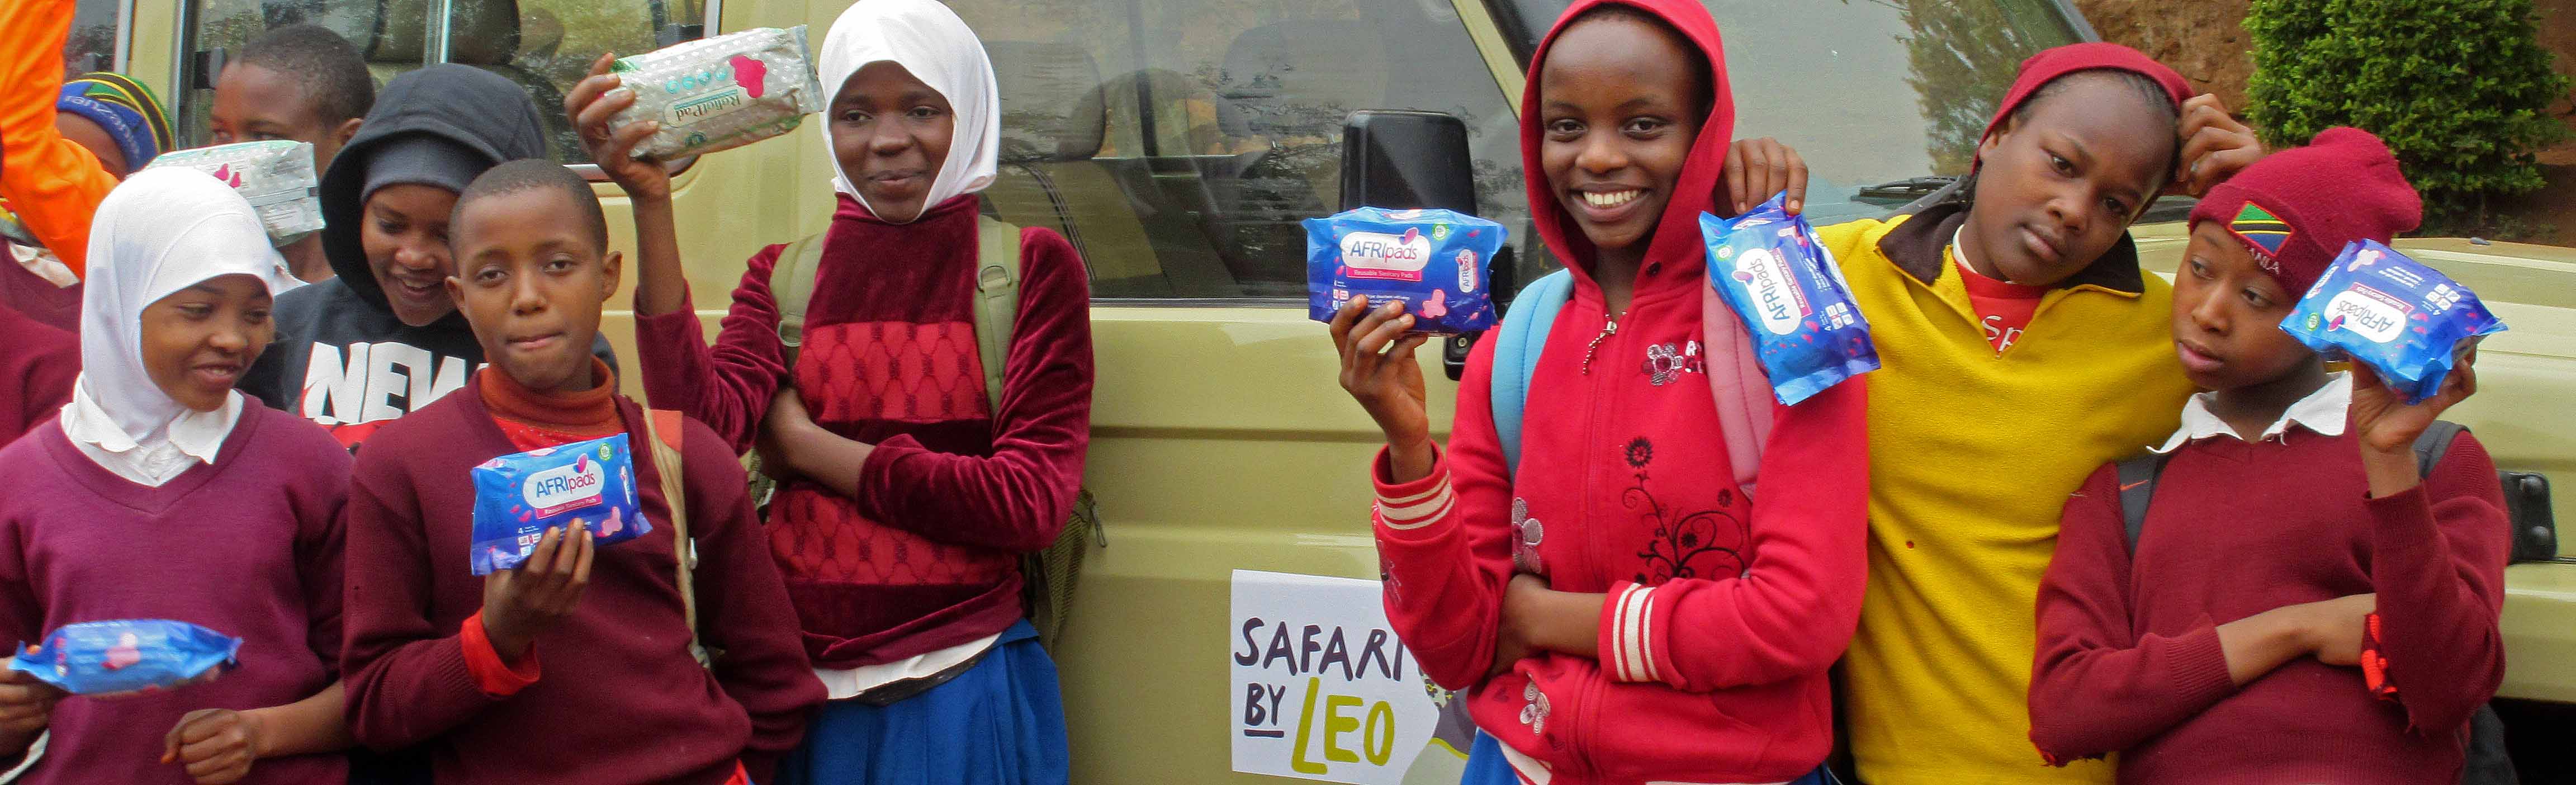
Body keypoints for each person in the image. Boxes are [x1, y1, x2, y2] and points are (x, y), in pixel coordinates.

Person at [1332, 0, 1865, 782]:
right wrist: (1412, 453)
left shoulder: (1787, 324)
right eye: (1567, 126)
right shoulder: (1513, 347)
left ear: (1705, 135)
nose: (1600, 157)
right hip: (1516, 765)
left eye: (1645, 125)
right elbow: (1455, 646)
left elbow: (1800, 620)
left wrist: (1545, 616)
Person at [569, 1, 1091, 781]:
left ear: (970, 109)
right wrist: (651, 203)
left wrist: (811, 449)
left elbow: (1028, 505)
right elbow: (701, 429)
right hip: (803, 700)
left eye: (922, 109)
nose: (887, 139)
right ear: (829, 128)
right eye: (855, 113)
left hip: (957, 684)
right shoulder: (785, 276)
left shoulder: (1029, 269)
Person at [1812, 44, 2266, 784]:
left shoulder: (2172, 332)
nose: (2075, 209)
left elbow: (2382, 370)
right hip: (1900, 765)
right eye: (2062, 163)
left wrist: (2265, 204)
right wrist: (1733, 181)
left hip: (2107, 762)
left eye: (2118, 204)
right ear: (1993, 137)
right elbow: (1668, 290)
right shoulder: (1841, 278)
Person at [2026, 127, 2508, 783]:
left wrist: (2389, 462)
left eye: (2258, 297)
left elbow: (2448, 689)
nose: (2209, 312)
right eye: (2200, 268)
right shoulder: (2125, 492)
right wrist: (2296, 630)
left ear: (2326, 319)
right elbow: (2065, 714)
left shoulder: (2432, 458)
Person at [338, 159, 821, 784]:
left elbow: (775, 674)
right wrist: (496, 637)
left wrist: (736, 771)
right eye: (491, 275)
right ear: (460, 297)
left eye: (558, 265)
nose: (529, 296)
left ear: (609, 275)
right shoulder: (403, 465)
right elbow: (375, 706)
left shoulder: (684, 456)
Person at [0, 167, 352, 784]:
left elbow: (376, 679)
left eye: (256, 313)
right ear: (120, 301)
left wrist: (263, 735)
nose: (232, 338)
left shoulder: (306, 464)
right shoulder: (19, 483)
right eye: (197, 310)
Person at [238, 64, 610, 451]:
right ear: (357, 211)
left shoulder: (552, 349)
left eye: (445, 235)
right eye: (390, 225)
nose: (414, 257)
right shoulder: (284, 327)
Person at [211, 23, 376, 283]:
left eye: (264, 137)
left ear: (347, 142)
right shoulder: (204, 270)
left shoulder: (386, 284)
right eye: (221, 134)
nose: (232, 160)